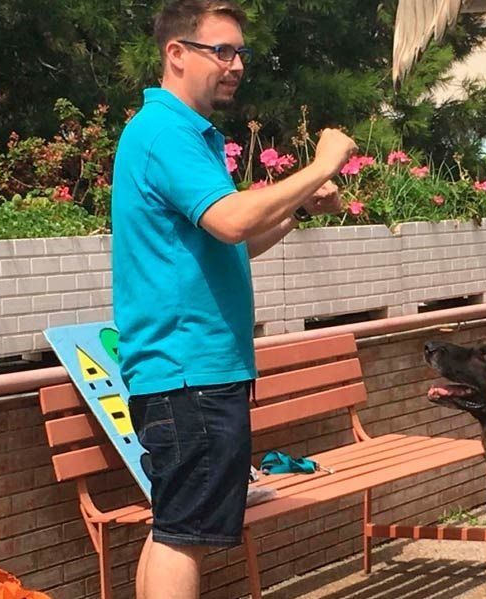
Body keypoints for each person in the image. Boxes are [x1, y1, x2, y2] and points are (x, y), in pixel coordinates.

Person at [110, 1, 358, 598]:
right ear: (176, 54)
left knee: (174, 527)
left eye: (240, 52)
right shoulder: (166, 131)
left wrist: (296, 207)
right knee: (186, 536)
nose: (236, 64)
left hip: (191, 371)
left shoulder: (180, 134)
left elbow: (230, 244)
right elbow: (230, 221)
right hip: (189, 371)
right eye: (221, 50)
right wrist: (321, 163)